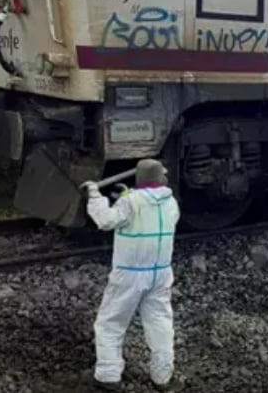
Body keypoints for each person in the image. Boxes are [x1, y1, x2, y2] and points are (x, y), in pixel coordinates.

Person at [83, 159, 181, 391]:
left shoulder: (130, 202)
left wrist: (95, 195)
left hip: (129, 274)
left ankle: (108, 377)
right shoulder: (171, 203)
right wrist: (128, 196)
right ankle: (163, 378)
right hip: (160, 273)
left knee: (111, 323)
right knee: (160, 324)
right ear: (159, 178)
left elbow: (106, 220)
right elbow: (145, 208)